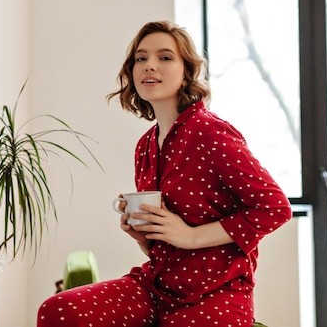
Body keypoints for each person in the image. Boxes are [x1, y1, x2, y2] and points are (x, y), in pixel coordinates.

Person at [37, 20, 292, 327]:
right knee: (59, 311)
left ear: (187, 73)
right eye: (141, 58)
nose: (149, 66)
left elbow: (275, 208)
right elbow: (167, 240)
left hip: (215, 291)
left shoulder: (210, 132)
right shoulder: (145, 146)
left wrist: (191, 236)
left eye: (165, 57)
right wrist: (144, 236)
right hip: (156, 285)